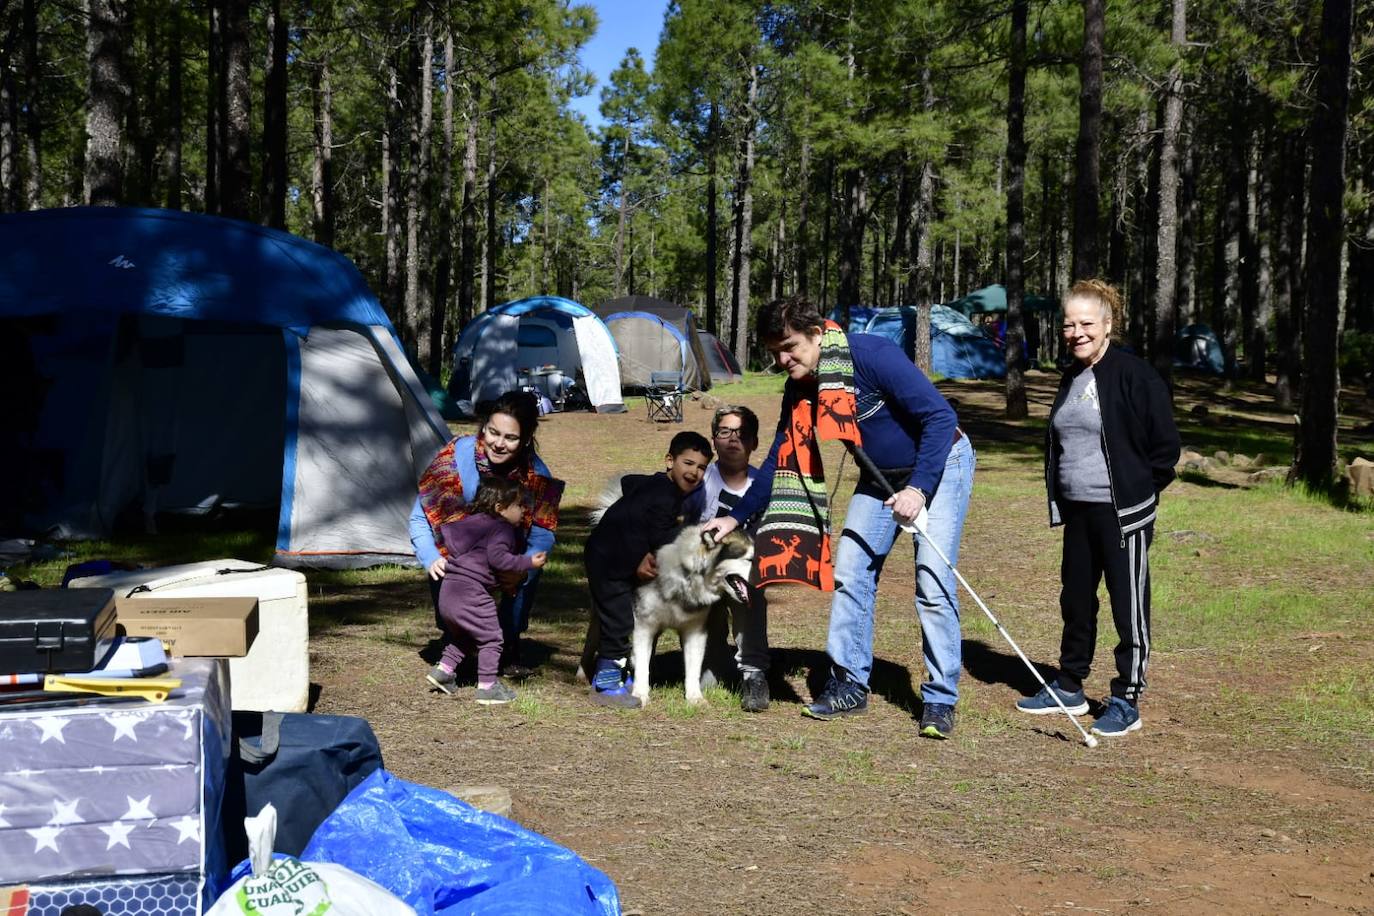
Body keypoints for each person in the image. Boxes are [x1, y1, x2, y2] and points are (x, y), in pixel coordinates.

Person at [702, 296, 976, 740]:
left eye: (789, 347)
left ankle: (940, 699)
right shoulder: (802, 383)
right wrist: (736, 518)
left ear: (814, 332)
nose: (782, 359)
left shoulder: (871, 356)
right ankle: (850, 684)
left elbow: (940, 418)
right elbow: (779, 456)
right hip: (879, 477)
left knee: (932, 580)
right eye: (774, 352)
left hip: (941, 464)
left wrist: (918, 489)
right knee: (850, 571)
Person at [1016, 279, 1180, 737]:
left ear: (1108, 325)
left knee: (1128, 604)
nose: (1076, 332)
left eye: (1086, 323)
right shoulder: (1072, 376)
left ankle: (1127, 696)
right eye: (1068, 324)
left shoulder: (1134, 374)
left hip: (1121, 511)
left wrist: (1138, 493)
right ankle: (1070, 682)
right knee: (1076, 599)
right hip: (1079, 510)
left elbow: (1165, 448)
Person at [410, 391, 563, 676]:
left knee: (527, 570)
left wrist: (523, 567)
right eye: (493, 432)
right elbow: (420, 516)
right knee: (445, 567)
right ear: (483, 427)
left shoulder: (537, 474)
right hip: (457, 553)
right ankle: (454, 636)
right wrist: (430, 556)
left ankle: (507, 643)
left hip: (505, 552)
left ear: (526, 439)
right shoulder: (456, 455)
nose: (499, 443)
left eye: (511, 438)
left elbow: (543, 530)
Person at [584, 430, 713, 706]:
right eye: (688, 463)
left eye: (701, 467)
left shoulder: (653, 482)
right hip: (610, 563)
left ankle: (612, 673)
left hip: (605, 552)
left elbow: (628, 481)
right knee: (619, 621)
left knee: (616, 618)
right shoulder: (667, 500)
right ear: (670, 460)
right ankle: (607, 685)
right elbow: (662, 540)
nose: (694, 472)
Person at [428, 477, 548, 704]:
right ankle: (487, 687)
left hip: (449, 592)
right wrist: (528, 563)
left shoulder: (474, 525)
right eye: (520, 505)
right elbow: (499, 559)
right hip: (472, 594)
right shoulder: (502, 529)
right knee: (492, 638)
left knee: (466, 636)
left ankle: (443, 671)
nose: (525, 510)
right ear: (500, 508)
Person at [682, 406, 771, 711]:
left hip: (740, 574)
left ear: (754, 442)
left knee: (752, 590)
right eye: (725, 431)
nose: (733, 439)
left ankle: (753, 673)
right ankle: (710, 660)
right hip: (700, 572)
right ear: (714, 439)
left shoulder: (763, 486)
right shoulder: (698, 480)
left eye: (742, 433)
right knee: (710, 680)